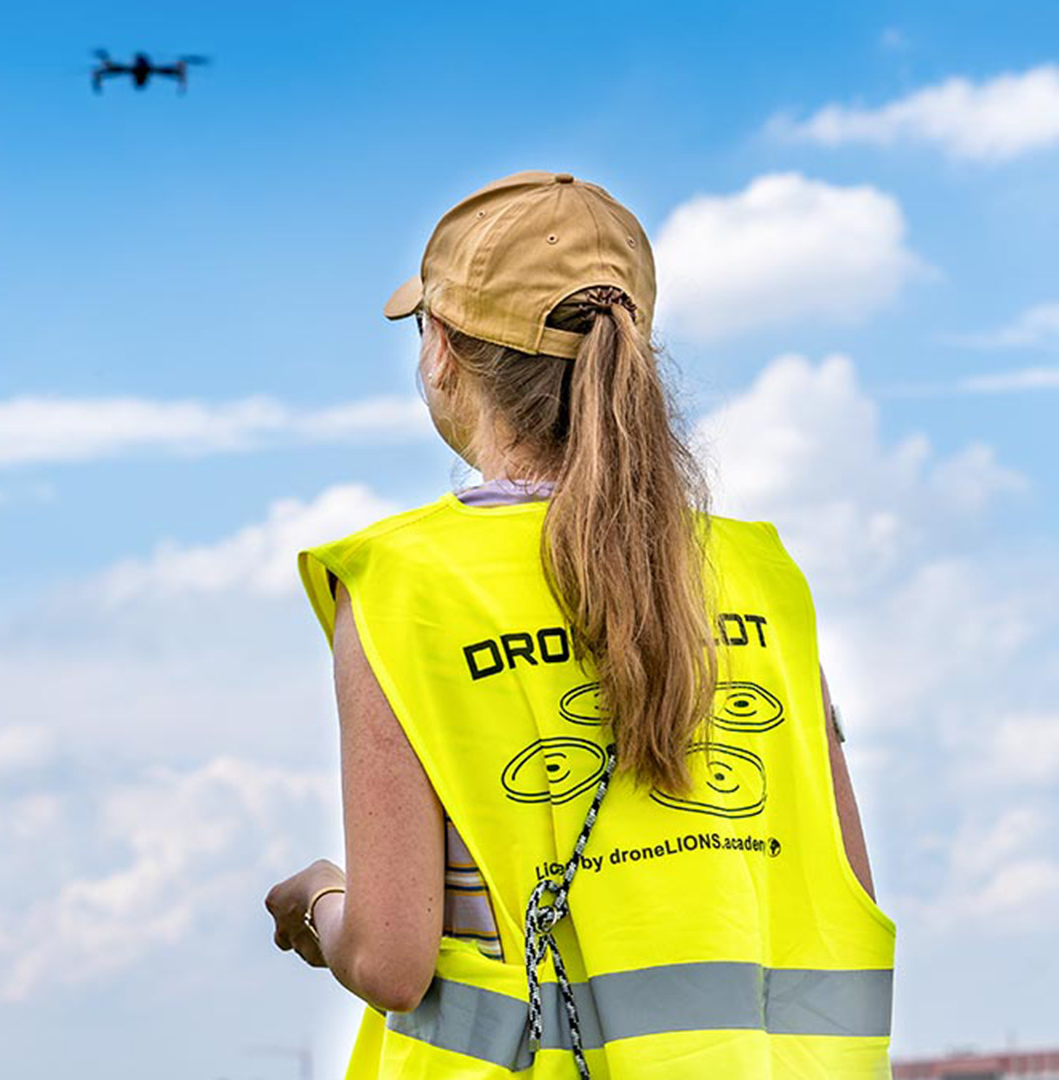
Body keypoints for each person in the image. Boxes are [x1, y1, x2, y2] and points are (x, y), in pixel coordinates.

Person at [264, 171, 894, 1077]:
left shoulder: (408, 584)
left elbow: (392, 962)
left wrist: (320, 897)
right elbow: (836, 889)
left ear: (440, 349)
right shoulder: (761, 578)